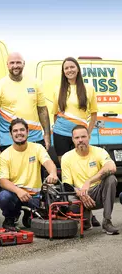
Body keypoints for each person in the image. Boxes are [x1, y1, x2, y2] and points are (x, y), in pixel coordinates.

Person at [52, 57, 99, 227]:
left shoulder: (89, 88)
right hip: (60, 134)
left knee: (83, 172)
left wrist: (88, 132)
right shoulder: (58, 89)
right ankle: (73, 211)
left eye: (72, 67)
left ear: (77, 69)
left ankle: (89, 212)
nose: (69, 70)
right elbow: (55, 114)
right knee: (67, 173)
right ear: (63, 71)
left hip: (79, 134)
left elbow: (93, 114)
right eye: (66, 68)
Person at [0, 118, 58, 230]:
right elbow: (3, 181)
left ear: (27, 132)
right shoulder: (5, 155)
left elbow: (48, 163)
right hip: (16, 194)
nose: (19, 133)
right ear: (10, 134)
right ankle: (10, 218)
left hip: (35, 196)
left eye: (22, 130)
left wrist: (53, 173)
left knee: (53, 211)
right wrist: (18, 191)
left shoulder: (37, 148)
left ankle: (30, 214)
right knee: (4, 197)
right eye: (15, 131)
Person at [0, 52, 51, 155]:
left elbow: (42, 110)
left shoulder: (35, 83)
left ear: (24, 64)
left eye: (18, 62)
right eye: (12, 63)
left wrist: (47, 135)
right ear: (7, 64)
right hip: (8, 140)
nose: (15, 66)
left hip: (34, 137)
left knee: (37, 170)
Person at [61, 125, 119, 235]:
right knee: (67, 202)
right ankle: (86, 219)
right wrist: (81, 194)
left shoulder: (99, 151)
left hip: (98, 192)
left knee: (111, 179)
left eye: (83, 136)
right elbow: (67, 184)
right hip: (79, 194)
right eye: (77, 138)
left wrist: (89, 181)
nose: (81, 140)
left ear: (89, 137)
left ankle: (107, 221)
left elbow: (112, 167)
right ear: (73, 140)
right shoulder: (66, 157)